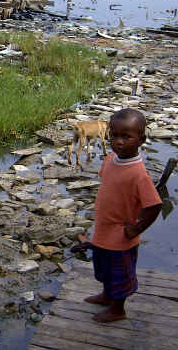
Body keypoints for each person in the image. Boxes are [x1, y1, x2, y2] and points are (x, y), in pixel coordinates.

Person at [83, 108, 162, 323]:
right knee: (103, 268)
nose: (118, 141)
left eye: (126, 137)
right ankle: (108, 296)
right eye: (114, 135)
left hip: (121, 237)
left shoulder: (138, 174)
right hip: (103, 231)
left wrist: (136, 228)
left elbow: (154, 206)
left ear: (141, 140)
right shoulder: (110, 159)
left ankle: (118, 309)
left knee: (120, 274)